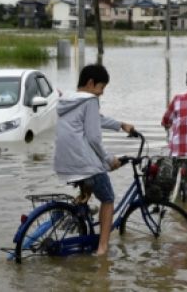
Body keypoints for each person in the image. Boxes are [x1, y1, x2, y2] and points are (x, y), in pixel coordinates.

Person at [53, 64, 134, 256]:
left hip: (64, 163)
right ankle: (102, 249)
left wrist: (120, 125)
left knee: (88, 191)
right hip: (82, 163)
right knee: (108, 198)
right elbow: (93, 137)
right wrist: (108, 159)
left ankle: (79, 218)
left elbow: (96, 120)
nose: (101, 93)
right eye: (101, 88)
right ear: (91, 83)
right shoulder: (90, 100)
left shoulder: (69, 100)